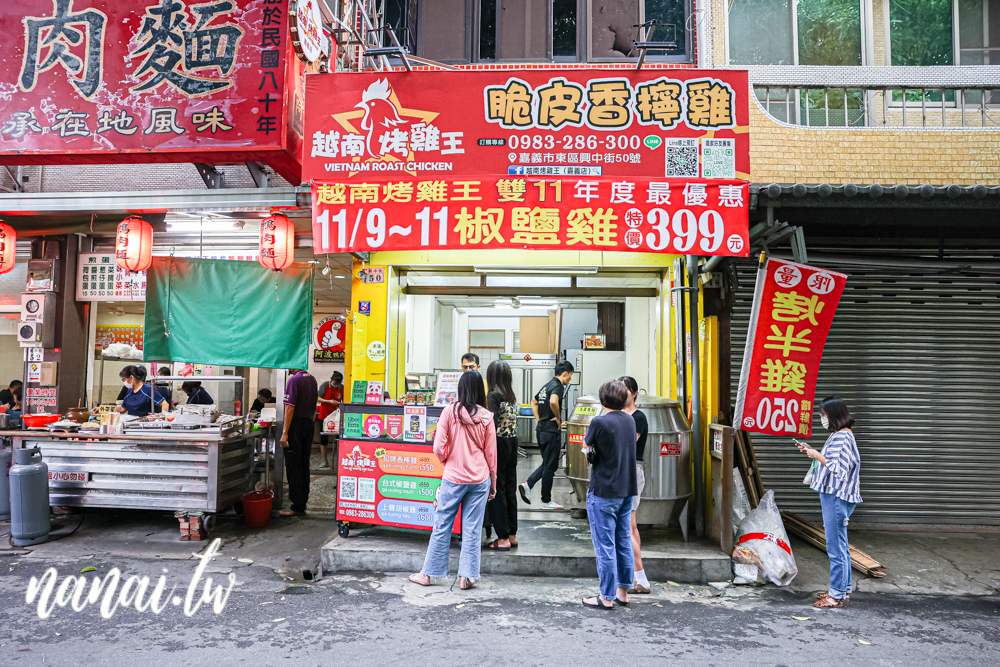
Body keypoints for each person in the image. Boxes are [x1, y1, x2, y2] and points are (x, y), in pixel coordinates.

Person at [409, 371, 497, 591]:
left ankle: (427, 574)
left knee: (442, 524)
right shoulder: (487, 416)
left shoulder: (449, 412)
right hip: (479, 479)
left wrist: (447, 459)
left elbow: (437, 447)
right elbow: (491, 455)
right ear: (480, 390)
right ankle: (466, 577)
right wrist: (493, 483)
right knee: (472, 528)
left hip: (453, 477)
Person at [797, 396, 863, 609]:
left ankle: (836, 596)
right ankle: (841, 589)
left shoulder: (842, 437)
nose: (821, 418)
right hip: (834, 495)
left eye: (823, 415)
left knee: (835, 547)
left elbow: (837, 468)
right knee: (840, 546)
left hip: (836, 496)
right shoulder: (840, 435)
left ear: (834, 415)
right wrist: (813, 452)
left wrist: (816, 454)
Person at [581, 380, 638, 609]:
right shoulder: (631, 420)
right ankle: (623, 592)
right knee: (623, 540)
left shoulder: (599, 422)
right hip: (626, 490)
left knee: (605, 544)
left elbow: (586, 450)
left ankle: (606, 597)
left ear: (603, 400)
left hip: (604, 492)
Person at [519, 360, 574, 510]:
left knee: (547, 463)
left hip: (541, 430)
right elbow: (553, 401)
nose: (570, 379)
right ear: (565, 373)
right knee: (550, 467)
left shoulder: (546, 385)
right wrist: (558, 418)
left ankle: (528, 485)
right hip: (550, 432)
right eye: (570, 376)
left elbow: (533, 402)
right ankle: (546, 501)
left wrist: (539, 419)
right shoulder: (557, 386)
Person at [619, 376, 651, 594]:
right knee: (631, 526)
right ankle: (634, 576)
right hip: (623, 471)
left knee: (627, 527)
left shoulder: (637, 417)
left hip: (631, 471)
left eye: (625, 390)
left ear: (635, 393)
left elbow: (628, 444)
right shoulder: (620, 415)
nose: (622, 394)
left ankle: (641, 578)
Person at [485, 360, 519, 551]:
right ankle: (512, 534)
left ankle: (503, 538)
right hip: (512, 443)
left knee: (497, 491)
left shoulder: (493, 395)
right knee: (510, 490)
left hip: (497, 445)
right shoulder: (511, 396)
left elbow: (490, 425)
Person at [279, 368, 318, 517]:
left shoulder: (294, 380)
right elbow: (313, 405)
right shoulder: (312, 379)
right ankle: (302, 502)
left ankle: (296, 506)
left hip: (295, 426)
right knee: (303, 465)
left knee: (294, 466)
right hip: (308, 424)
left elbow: (289, 407)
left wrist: (285, 433)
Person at [317, 371, 344, 468]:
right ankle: (325, 461)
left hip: (337, 417)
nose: (335, 386)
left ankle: (340, 461)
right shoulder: (325, 385)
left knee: (339, 438)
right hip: (324, 416)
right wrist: (328, 401)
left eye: (337, 384)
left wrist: (341, 406)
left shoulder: (342, 388)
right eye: (334, 383)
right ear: (330, 379)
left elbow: (344, 401)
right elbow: (317, 398)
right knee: (324, 439)